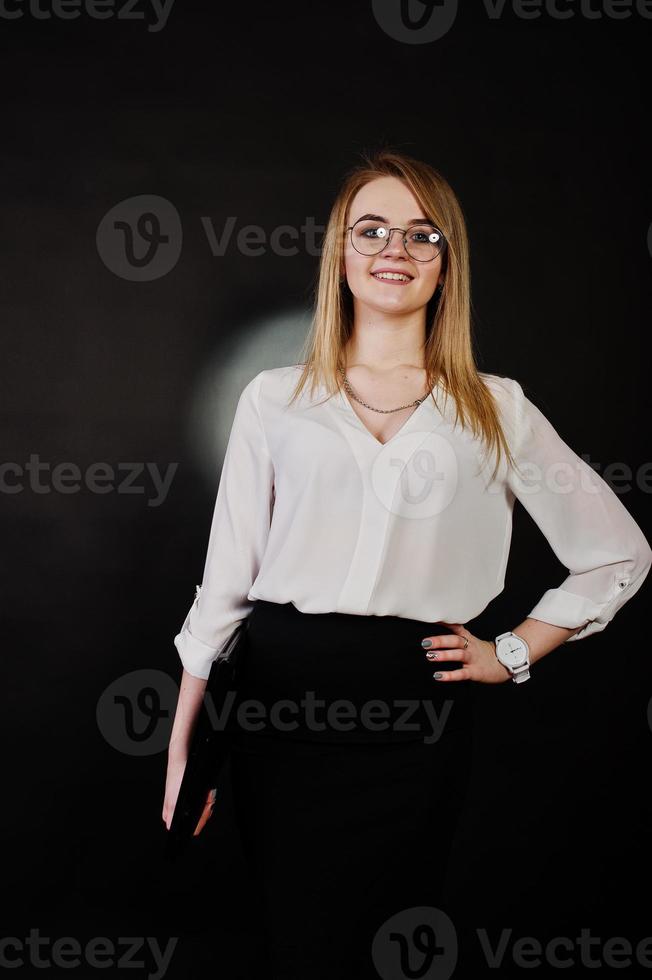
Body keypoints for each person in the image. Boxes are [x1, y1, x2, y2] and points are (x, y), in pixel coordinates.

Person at [162, 150, 652, 978]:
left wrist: (512, 653)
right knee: (300, 946)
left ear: (445, 262)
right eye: (373, 229)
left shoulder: (496, 407)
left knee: (387, 945)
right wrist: (184, 745)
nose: (396, 248)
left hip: (414, 714)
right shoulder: (274, 399)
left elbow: (617, 555)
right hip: (280, 709)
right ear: (341, 254)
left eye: (423, 234)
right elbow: (225, 587)